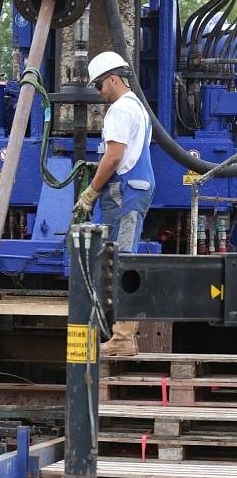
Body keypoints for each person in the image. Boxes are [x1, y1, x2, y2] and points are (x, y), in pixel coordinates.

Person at [74, 51, 155, 356]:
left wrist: (91, 192)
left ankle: (123, 338)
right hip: (132, 188)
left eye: (99, 85)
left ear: (112, 79)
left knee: (122, 261)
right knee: (120, 259)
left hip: (125, 193)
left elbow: (114, 156)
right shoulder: (138, 107)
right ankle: (120, 334)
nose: (98, 93)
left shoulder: (121, 110)